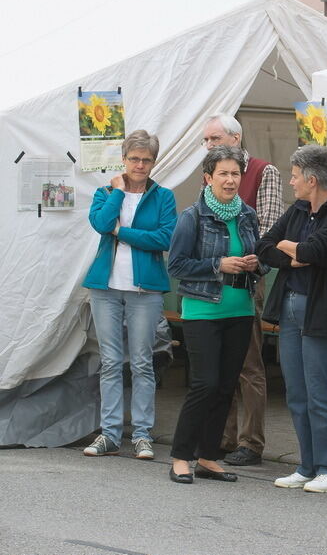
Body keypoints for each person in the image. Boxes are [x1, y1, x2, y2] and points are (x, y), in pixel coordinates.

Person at [258, 145, 327, 494]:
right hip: (289, 309)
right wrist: (292, 251)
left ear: (312, 180)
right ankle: (307, 465)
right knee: (297, 393)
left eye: (295, 175)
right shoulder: (298, 210)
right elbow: (264, 246)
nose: (291, 181)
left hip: (321, 314)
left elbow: (312, 251)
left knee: (320, 393)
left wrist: (290, 246)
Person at [167, 146, 266, 484]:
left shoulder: (248, 215)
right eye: (223, 173)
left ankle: (208, 457)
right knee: (204, 384)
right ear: (208, 177)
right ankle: (181, 456)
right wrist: (217, 265)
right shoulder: (192, 216)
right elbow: (176, 265)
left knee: (225, 387)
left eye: (235, 173)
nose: (230, 180)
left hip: (240, 311)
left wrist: (257, 263)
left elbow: (260, 258)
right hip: (202, 311)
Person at [82, 130, 177, 459]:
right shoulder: (105, 191)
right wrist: (118, 194)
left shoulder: (163, 196)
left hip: (145, 288)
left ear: (153, 162)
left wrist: (123, 232)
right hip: (105, 288)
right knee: (109, 362)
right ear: (123, 160)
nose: (140, 164)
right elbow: (99, 223)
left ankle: (141, 435)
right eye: (134, 158)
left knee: (142, 363)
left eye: (146, 159)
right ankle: (109, 433)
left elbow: (164, 238)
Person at [202, 114, 282, 467]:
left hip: (246, 278)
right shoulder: (211, 171)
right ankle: (223, 435)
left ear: (236, 138)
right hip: (216, 278)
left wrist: (240, 261)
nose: (209, 145)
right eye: (206, 140)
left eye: (214, 138)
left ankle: (251, 441)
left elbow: (267, 229)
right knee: (221, 363)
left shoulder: (265, 171)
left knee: (248, 364)